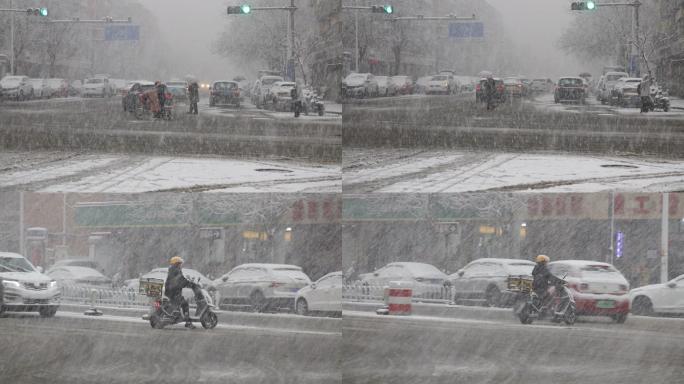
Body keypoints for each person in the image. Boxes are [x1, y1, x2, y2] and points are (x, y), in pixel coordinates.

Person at [164, 256, 195, 329]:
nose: (181, 265)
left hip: (171, 292)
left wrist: (187, 283)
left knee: (177, 305)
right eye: (179, 264)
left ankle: (176, 316)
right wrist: (190, 284)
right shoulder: (176, 270)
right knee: (185, 304)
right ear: (176, 264)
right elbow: (181, 280)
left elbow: (180, 280)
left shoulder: (172, 270)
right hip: (174, 293)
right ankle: (188, 322)